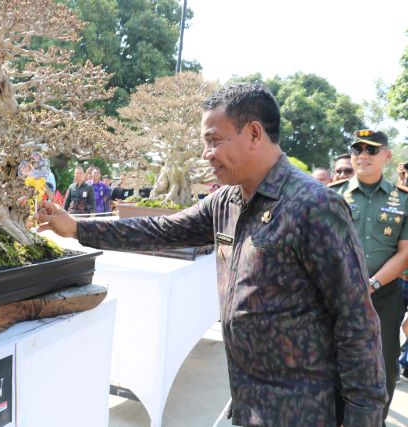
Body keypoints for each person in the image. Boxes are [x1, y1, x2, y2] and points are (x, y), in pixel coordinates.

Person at [37, 83, 386, 426]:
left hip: (303, 407)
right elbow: (161, 231)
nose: (207, 154)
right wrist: (78, 228)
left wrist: (363, 417)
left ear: (253, 133)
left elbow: (356, 321)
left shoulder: (313, 206)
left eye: (214, 141)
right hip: (249, 401)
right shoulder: (227, 201)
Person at [329, 129, 408, 425]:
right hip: (336, 293)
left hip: (384, 295)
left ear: (387, 156)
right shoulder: (332, 194)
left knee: (383, 365)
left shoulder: (403, 200)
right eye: (357, 149)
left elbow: (405, 252)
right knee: (334, 360)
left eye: (371, 150)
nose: (362, 155)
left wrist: (371, 283)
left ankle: (376, 420)